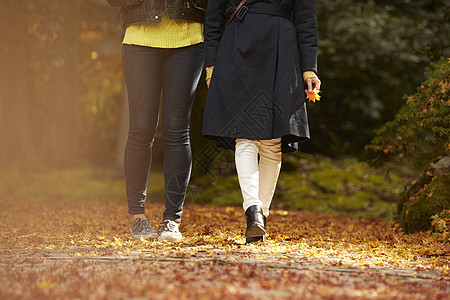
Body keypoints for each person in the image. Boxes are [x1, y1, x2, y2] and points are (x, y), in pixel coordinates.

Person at [203, 0, 321, 243]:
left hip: (280, 51)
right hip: (237, 50)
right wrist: (211, 66)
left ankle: (257, 214)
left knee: (268, 140)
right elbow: (213, 19)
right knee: (248, 137)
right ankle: (255, 212)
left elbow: (306, 20)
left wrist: (310, 68)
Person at [107, 0, 206, 241]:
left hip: (188, 38)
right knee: (141, 129)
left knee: (177, 129)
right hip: (139, 37)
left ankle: (172, 220)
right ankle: (137, 218)